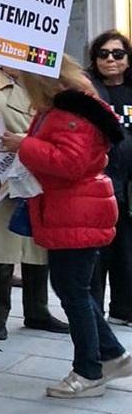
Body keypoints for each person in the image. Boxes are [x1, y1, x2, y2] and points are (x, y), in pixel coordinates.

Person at [4, 57, 132, 398]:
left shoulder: (70, 113)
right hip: (73, 209)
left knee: (73, 292)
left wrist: (24, 145)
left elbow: (70, 162)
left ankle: (88, 370)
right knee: (74, 289)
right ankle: (112, 355)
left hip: (74, 211)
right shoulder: (72, 108)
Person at [0, 66, 69, 338]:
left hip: (38, 176)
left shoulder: (43, 85)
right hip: (3, 178)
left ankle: (37, 310)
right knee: (0, 253)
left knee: (36, 249)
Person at [85, 31, 132, 325]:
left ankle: (124, 309)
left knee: (126, 250)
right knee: (97, 253)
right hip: (97, 183)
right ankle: (94, 312)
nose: (110, 60)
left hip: (128, 185)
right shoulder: (87, 92)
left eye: (117, 54)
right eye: (103, 54)